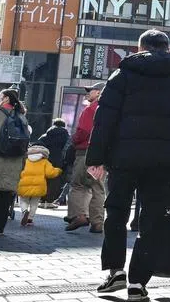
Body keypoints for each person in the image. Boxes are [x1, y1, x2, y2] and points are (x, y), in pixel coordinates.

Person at [89, 30, 170, 302]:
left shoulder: (122, 74)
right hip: (164, 160)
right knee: (153, 219)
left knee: (116, 212)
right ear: (168, 49)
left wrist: (96, 158)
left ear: (139, 48)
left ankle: (116, 271)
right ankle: (138, 281)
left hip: (123, 158)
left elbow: (104, 119)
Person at [0, 89, 30, 236]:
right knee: (6, 196)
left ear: (6, 99)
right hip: (15, 161)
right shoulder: (21, 117)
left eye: (0, 96)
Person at [66, 83, 105, 233]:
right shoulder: (110, 110)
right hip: (101, 154)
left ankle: (79, 216)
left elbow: (83, 131)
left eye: (90, 91)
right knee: (98, 188)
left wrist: (74, 140)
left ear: (98, 92)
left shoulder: (90, 109)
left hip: (85, 153)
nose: (87, 93)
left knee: (78, 185)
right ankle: (98, 223)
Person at [17, 144, 61, 226]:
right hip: (39, 185)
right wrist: (58, 170)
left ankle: (24, 211)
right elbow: (50, 173)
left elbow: (18, 170)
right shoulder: (44, 161)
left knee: (23, 200)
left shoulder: (25, 160)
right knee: (34, 202)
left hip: (24, 183)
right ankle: (30, 219)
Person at [35, 119, 69, 209]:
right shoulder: (66, 136)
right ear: (63, 126)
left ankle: (42, 200)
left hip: (46, 160)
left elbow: (37, 145)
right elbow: (68, 148)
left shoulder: (46, 135)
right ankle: (49, 201)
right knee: (55, 181)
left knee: (44, 179)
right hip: (59, 161)